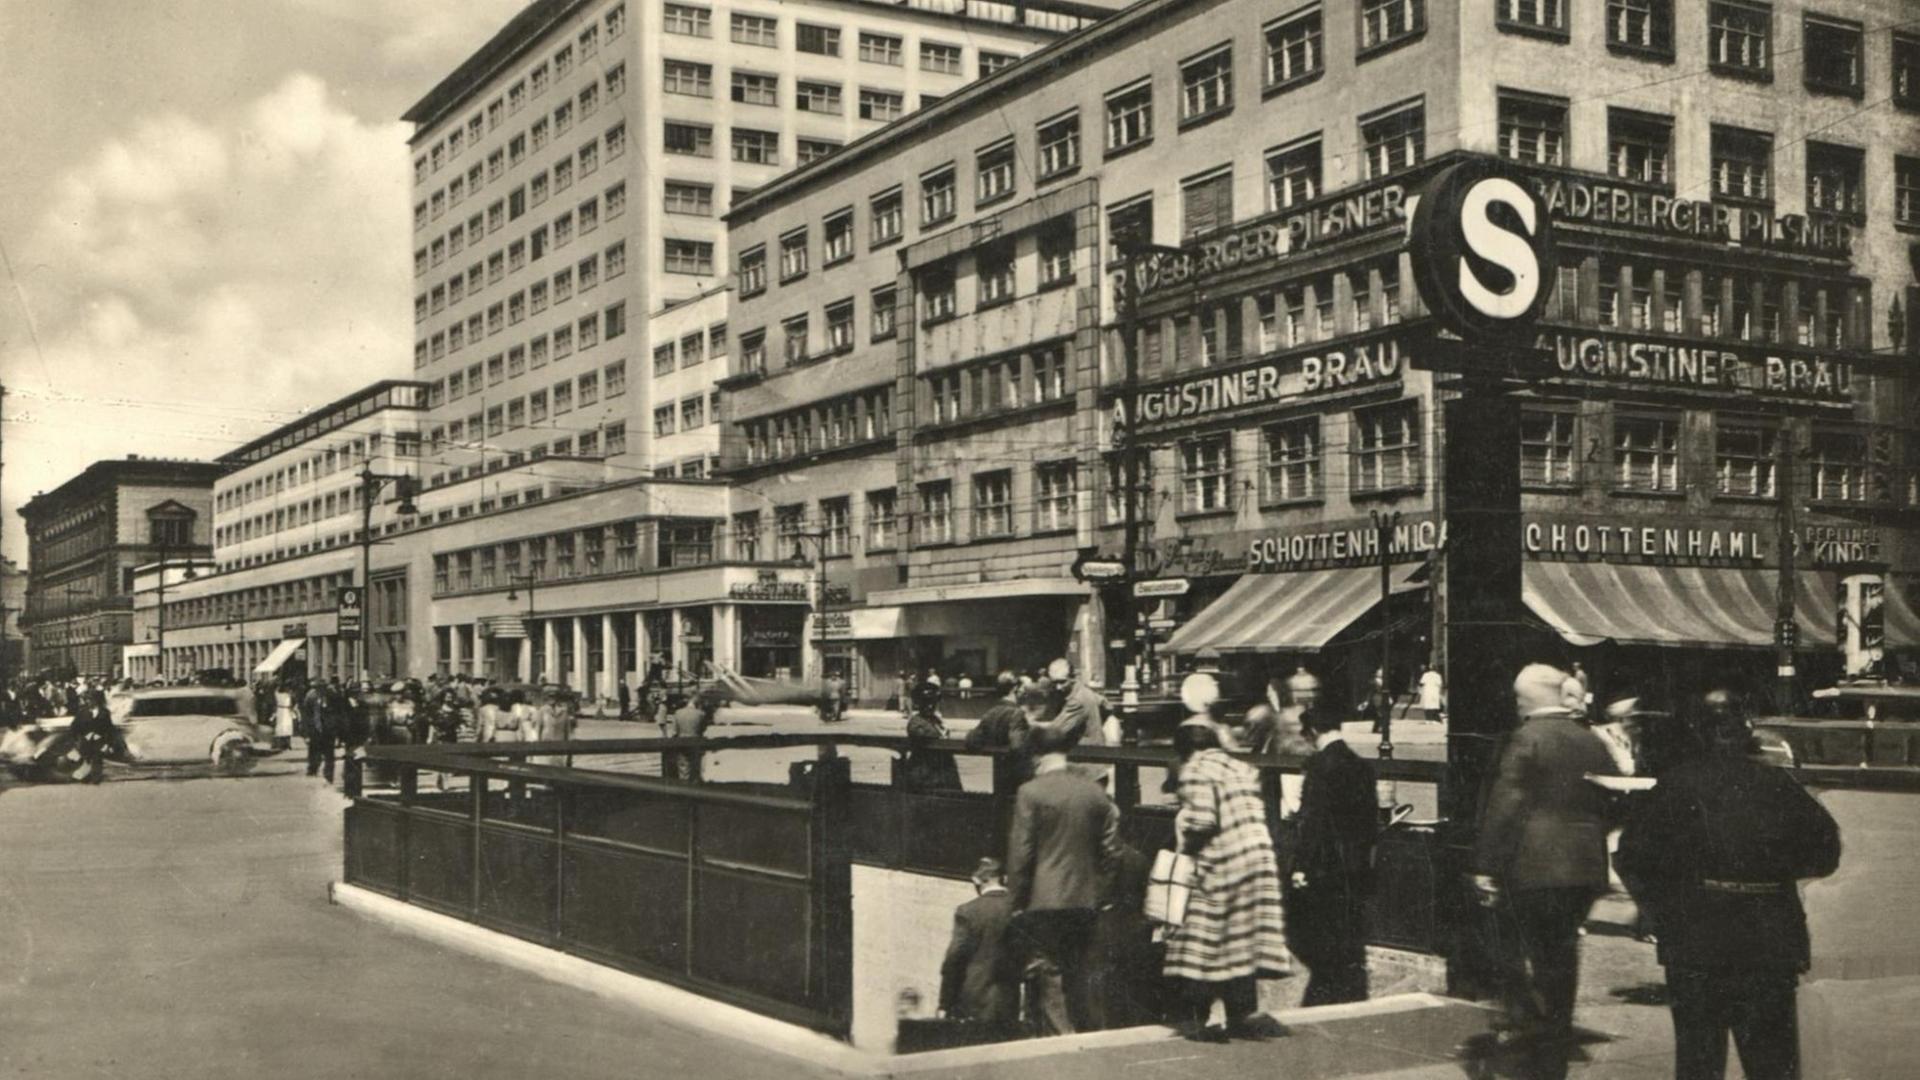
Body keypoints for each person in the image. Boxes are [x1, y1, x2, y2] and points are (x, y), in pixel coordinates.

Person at [1616, 690, 1841, 1080]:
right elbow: (1825, 854)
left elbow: (1632, 856)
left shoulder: (1676, 785)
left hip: (1695, 938)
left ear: (1697, 732)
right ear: (1745, 730)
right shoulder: (1779, 785)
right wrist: (1771, 870)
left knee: (1699, 1061)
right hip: (1767, 936)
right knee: (1772, 1062)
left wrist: (1658, 905)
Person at [1461, 663, 1620, 1076]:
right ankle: (1555, 1041)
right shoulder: (1591, 740)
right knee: (1562, 954)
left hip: (1534, 866)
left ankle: (1531, 1048)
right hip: (1583, 866)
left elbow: (1506, 804)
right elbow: (1613, 797)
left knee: (1523, 954)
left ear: (1526, 700)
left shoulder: (1526, 739)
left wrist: (1485, 865)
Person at [1162, 712, 1291, 1043]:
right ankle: (1241, 1013)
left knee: (1202, 937)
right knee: (1243, 938)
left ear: (1184, 750)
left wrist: (1182, 835)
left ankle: (1200, 1019)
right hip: (1258, 859)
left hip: (1225, 861)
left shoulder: (1195, 770)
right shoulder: (1239, 767)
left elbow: (1203, 821)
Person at [1005, 722, 1123, 1036]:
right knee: (1082, 970)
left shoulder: (1030, 792)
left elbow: (1021, 853)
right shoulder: (1094, 792)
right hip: (1086, 900)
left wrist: (1014, 903)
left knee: (1048, 973)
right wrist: (1101, 892)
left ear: (1036, 756)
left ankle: (1062, 1040)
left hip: (1043, 901)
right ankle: (1091, 1037)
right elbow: (1112, 850)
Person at [1285, 705, 1378, 1006]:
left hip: (1325, 865)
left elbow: (1313, 822)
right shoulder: (1361, 766)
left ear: (1313, 732)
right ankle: (1348, 989)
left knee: (1319, 931)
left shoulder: (1319, 767)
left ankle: (1327, 988)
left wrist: (1300, 866)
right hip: (1355, 864)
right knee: (1348, 932)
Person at [938, 857, 1020, 1028]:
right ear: (1002, 879)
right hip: (1008, 999)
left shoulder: (967, 912)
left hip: (973, 998)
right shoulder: (1017, 910)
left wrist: (945, 1003)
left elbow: (954, 958)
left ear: (978, 881)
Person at [902, 679, 962, 792]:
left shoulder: (936, 720)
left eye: (932, 703)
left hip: (943, 771)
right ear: (918, 704)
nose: (930, 706)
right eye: (925, 703)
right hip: (925, 774)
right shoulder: (916, 722)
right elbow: (923, 737)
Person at [68, 690, 122, 784]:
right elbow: (74, 726)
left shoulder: (104, 712)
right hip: (85, 739)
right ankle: (85, 777)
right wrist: (76, 738)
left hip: (99, 739)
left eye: (90, 699)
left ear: (97, 700)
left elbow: (109, 728)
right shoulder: (82, 712)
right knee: (86, 758)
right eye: (87, 699)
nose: (88, 701)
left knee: (97, 758)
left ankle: (96, 778)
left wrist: (108, 743)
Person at [304, 680, 338, 783]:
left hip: (328, 729)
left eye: (322, 688)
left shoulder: (331, 696)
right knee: (314, 749)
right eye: (317, 688)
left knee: (329, 753)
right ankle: (313, 768)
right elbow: (306, 714)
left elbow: (336, 712)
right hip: (315, 727)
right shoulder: (310, 696)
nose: (320, 690)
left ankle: (328, 773)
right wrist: (306, 732)